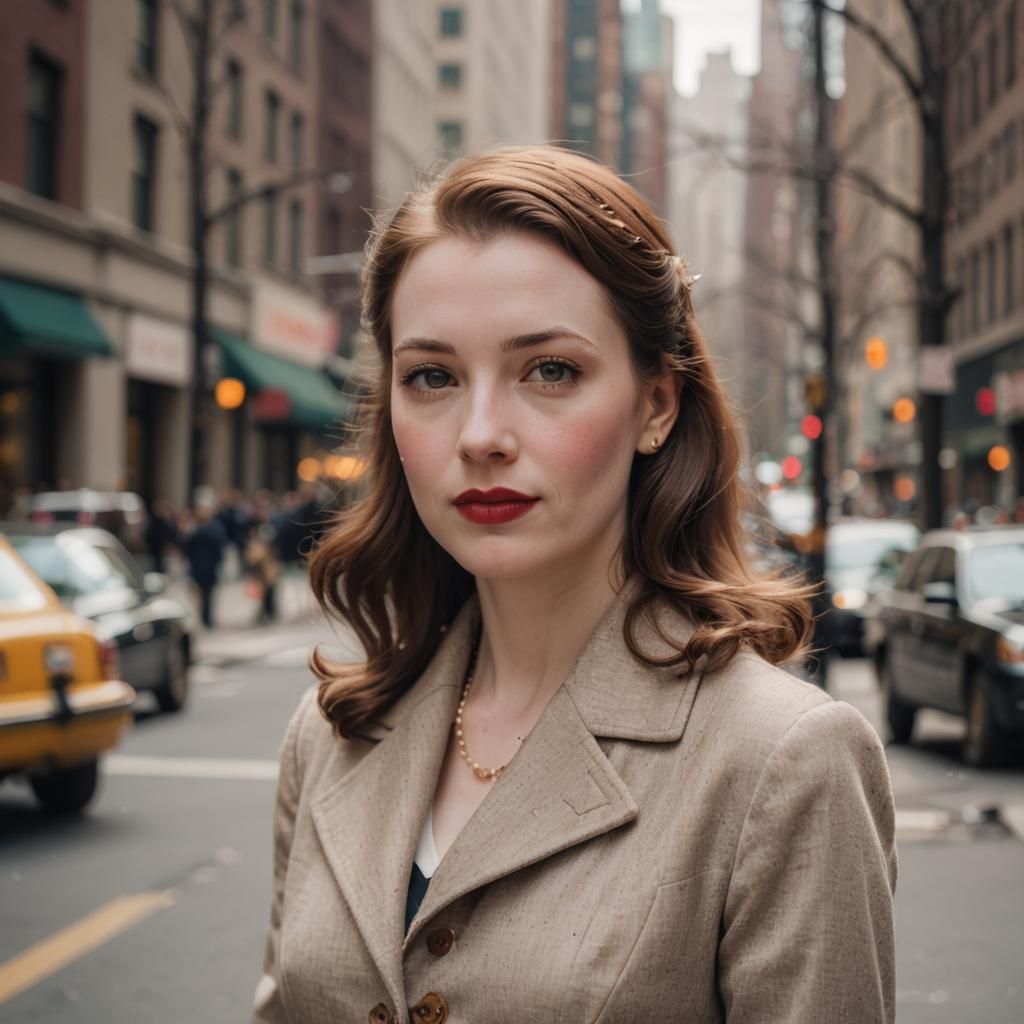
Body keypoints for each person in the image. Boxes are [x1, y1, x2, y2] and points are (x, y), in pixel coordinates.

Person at [253, 146, 897, 1024]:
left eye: (549, 370)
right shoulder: (330, 735)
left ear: (657, 405)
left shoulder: (783, 763)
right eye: (432, 377)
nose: (480, 434)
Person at [181, 501, 226, 629]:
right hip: (209, 567)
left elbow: (186, 549)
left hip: (197, 567)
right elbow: (219, 550)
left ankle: (203, 618)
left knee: (201, 594)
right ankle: (206, 619)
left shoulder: (193, 532)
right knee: (208, 595)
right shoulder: (213, 532)